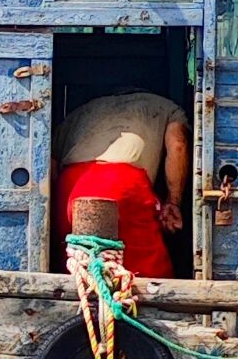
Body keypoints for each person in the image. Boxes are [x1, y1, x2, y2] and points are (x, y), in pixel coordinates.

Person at [53, 89, 189, 278]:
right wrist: (173, 202)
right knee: (150, 273)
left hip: (70, 187)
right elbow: (178, 145)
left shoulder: (80, 111)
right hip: (121, 184)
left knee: (79, 263)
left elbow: (50, 162)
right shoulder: (167, 107)